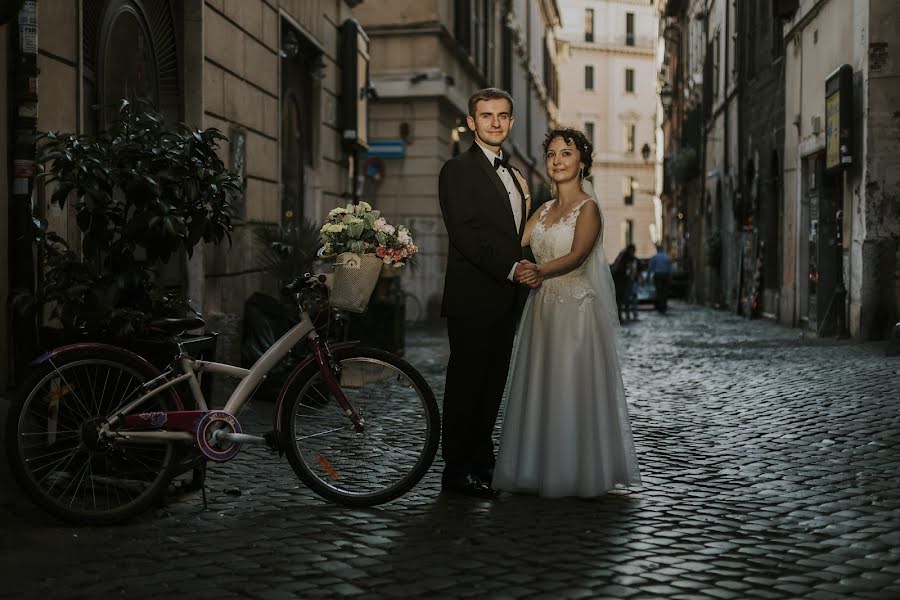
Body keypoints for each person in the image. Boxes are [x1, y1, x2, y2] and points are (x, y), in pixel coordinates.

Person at [492, 128, 641, 498]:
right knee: (541, 384)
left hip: (577, 310)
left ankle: (578, 470)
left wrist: (538, 270)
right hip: (542, 308)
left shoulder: (588, 209)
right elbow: (515, 240)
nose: (558, 160)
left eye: (566, 154)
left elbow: (577, 255)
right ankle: (537, 467)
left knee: (571, 385)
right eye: (552, 155)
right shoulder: (541, 210)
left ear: (582, 163)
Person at [437, 88, 536, 499]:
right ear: (472, 122)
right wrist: (513, 268)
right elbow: (465, 234)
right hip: (473, 298)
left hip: (506, 300)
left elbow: (521, 236)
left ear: (511, 122)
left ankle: (483, 459)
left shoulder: (515, 177)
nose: (495, 122)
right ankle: (455, 471)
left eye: (502, 115)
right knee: (466, 385)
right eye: (486, 115)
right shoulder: (457, 170)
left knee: (493, 384)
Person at [611, 244, 636, 323]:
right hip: (621, 281)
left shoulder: (623, 255)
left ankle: (620, 316)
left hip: (618, 280)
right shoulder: (627, 258)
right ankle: (619, 317)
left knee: (619, 299)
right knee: (620, 299)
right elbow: (626, 270)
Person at [648, 245, 674, 313]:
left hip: (658, 275)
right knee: (665, 291)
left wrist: (648, 276)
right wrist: (671, 276)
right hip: (665, 276)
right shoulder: (667, 257)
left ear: (657, 250)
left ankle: (660, 306)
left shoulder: (655, 257)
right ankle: (664, 306)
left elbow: (650, 267)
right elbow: (670, 268)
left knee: (659, 291)